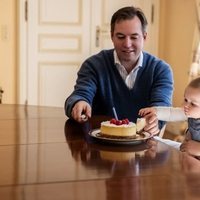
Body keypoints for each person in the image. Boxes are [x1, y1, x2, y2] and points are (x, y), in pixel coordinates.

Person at [64, 6, 174, 136]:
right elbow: (79, 95)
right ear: (112, 37)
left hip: (143, 144)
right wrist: (78, 102)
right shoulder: (93, 65)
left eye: (134, 37)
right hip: (101, 145)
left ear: (144, 37)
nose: (127, 44)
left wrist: (156, 120)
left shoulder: (161, 70)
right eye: (121, 37)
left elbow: (161, 108)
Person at [139, 76, 200, 157]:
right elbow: (171, 113)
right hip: (187, 152)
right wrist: (155, 111)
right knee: (157, 141)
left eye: (193, 104)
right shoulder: (189, 113)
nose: (186, 105)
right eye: (186, 100)